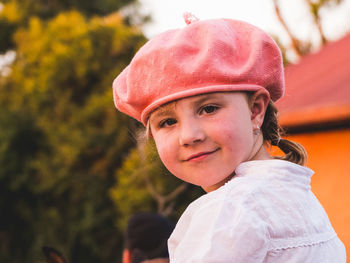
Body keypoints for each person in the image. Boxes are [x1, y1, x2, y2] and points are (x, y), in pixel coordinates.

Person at [112, 13, 346, 262]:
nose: (189, 136)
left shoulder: (231, 210)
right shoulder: (298, 198)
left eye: (209, 109)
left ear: (256, 110)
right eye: (167, 122)